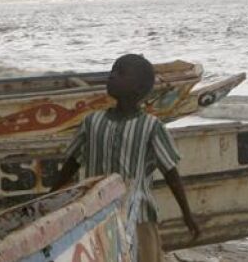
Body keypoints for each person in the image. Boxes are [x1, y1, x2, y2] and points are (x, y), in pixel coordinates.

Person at [52, 54, 201, 261]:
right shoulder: (92, 122)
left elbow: (171, 174)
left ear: (138, 89)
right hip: (96, 215)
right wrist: (51, 198)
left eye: (120, 73)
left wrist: (187, 214)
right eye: (112, 71)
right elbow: (72, 164)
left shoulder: (151, 127)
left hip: (138, 216)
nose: (112, 76)